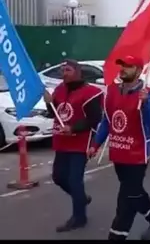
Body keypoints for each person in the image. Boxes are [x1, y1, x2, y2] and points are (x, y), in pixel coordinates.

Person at [88, 55, 150, 240]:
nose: (122, 69)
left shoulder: (148, 93)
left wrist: (146, 102)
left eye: (128, 66)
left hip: (138, 155)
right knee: (135, 192)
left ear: (139, 71)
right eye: (121, 65)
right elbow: (107, 121)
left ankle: (116, 236)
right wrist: (96, 144)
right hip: (118, 153)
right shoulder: (112, 91)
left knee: (127, 198)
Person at [44, 59, 103, 233]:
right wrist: (48, 102)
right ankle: (82, 199)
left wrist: (73, 128)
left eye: (68, 70)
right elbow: (53, 113)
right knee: (58, 177)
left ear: (78, 72)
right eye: (62, 70)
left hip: (80, 143)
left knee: (74, 180)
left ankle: (79, 217)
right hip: (61, 141)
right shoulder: (59, 90)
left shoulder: (91, 92)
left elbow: (95, 118)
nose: (64, 73)